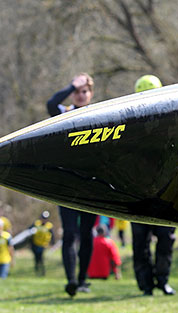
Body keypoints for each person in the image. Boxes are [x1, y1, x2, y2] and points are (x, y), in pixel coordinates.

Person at [46, 72, 97, 296]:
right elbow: (51, 103)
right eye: (76, 92)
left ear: (91, 94)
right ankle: (71, 281)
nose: (80, 95)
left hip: (90, 185)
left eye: (84, 91)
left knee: (86, 234)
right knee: (69, 233)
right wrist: (71, 85)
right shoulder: (63, 114)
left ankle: (83, 279)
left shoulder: (100, 114)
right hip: (66, 184)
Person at [131, 74, 176, 297]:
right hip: (137, 193)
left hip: (164, 193)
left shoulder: (170, 121)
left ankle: (163, 280)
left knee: (166, 239)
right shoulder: (129, 123)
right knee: (140, 242)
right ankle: (146, 284)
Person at [30, 210, 54, 276]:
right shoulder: (36, 224)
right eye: (43, 218)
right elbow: (29, 232)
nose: (44, 220)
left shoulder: (49, 226)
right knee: (36, 258)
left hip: (43, 245)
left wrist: (52, 243)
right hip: (35, 244)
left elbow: (52, 235)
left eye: (45, 218)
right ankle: (37, 270)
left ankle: (42, 272)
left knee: (41, 258)